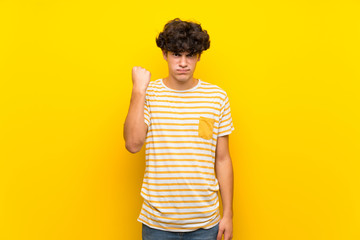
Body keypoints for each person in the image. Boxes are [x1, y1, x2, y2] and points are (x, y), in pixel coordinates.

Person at [123, 18, 235, 240]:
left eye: (190, 55)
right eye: (176, 54)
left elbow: (222, 159)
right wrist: (138, 91)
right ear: (164, 54)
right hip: (157, 224)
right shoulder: (148, 94)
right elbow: (133, 144)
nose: (183, 62)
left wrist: (229, 213)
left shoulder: (216, 97)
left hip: (205, 224)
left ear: (198, 56)